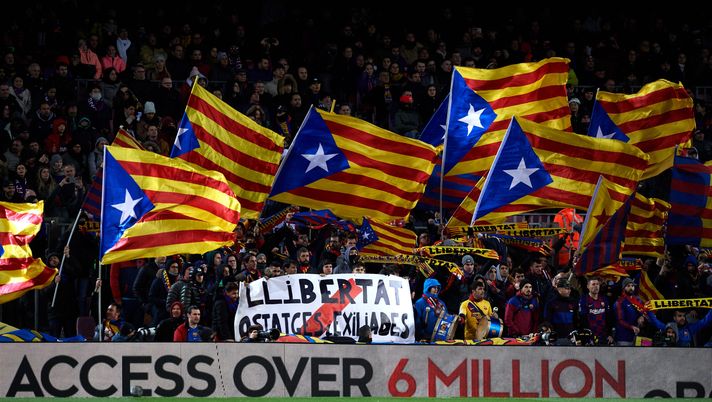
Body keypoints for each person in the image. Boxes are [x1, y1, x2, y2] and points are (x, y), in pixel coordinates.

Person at [647, 308, 712, 347]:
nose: (682, 318)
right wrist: (648, 310)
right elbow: (655, 321)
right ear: (674, 318)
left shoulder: (689, 328)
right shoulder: (668, 327)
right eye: (679, 316)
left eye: (684, 316)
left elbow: (705, 321)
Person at [579, 276, 614, 345]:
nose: (596, 286)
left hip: (604, 336)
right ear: (588, 286)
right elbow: (582, 319)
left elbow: (609, 317)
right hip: (590, 337)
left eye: (597, 284)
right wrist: (587, 336)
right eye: (593, 284)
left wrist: (610, 334)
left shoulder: (604, 299)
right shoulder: (584, 300)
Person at [614, 277, 648, 346]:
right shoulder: (619, 302)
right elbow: (620, 320)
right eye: (628, 286)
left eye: (632, 286)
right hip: (623, 338)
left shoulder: (638, 300)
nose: (631, 288)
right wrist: (632, 327)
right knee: (624, 357)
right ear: (624, 288)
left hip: (638, 337)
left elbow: (643, 312)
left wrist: (642, 317)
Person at [413, 278, 449, 342]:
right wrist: (421, 335)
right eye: (434, 288)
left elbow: (447, 318)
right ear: (428, 288)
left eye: (437, 288)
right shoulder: (420, 303)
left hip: (440, 337)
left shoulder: (441, 303)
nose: (436, 290)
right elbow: (417, 321)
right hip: (425, 338)